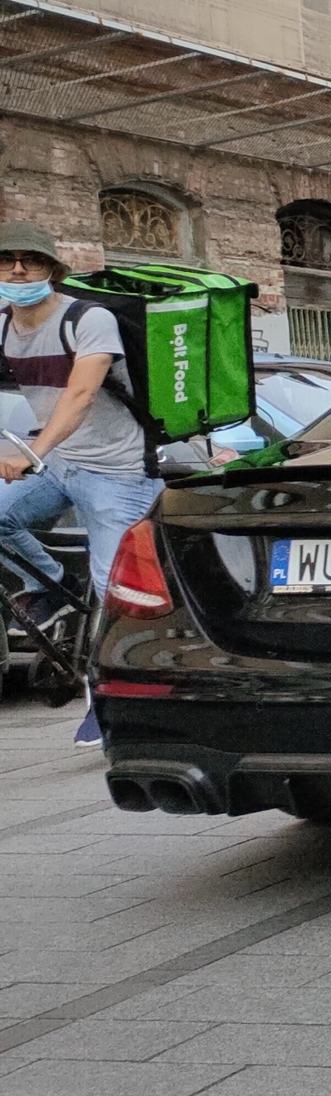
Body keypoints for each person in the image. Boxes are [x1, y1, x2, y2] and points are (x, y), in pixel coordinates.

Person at [0, 223, 160, 748]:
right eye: (7, 260)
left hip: (118, 473)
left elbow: (81, 393)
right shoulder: (2, 324)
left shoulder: (88, 319)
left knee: (120, 594)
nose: (18, 270)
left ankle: (112, 702)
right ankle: (50, 587)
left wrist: (32, 454)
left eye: (32, 261)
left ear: (53, 271)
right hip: (62, 463)